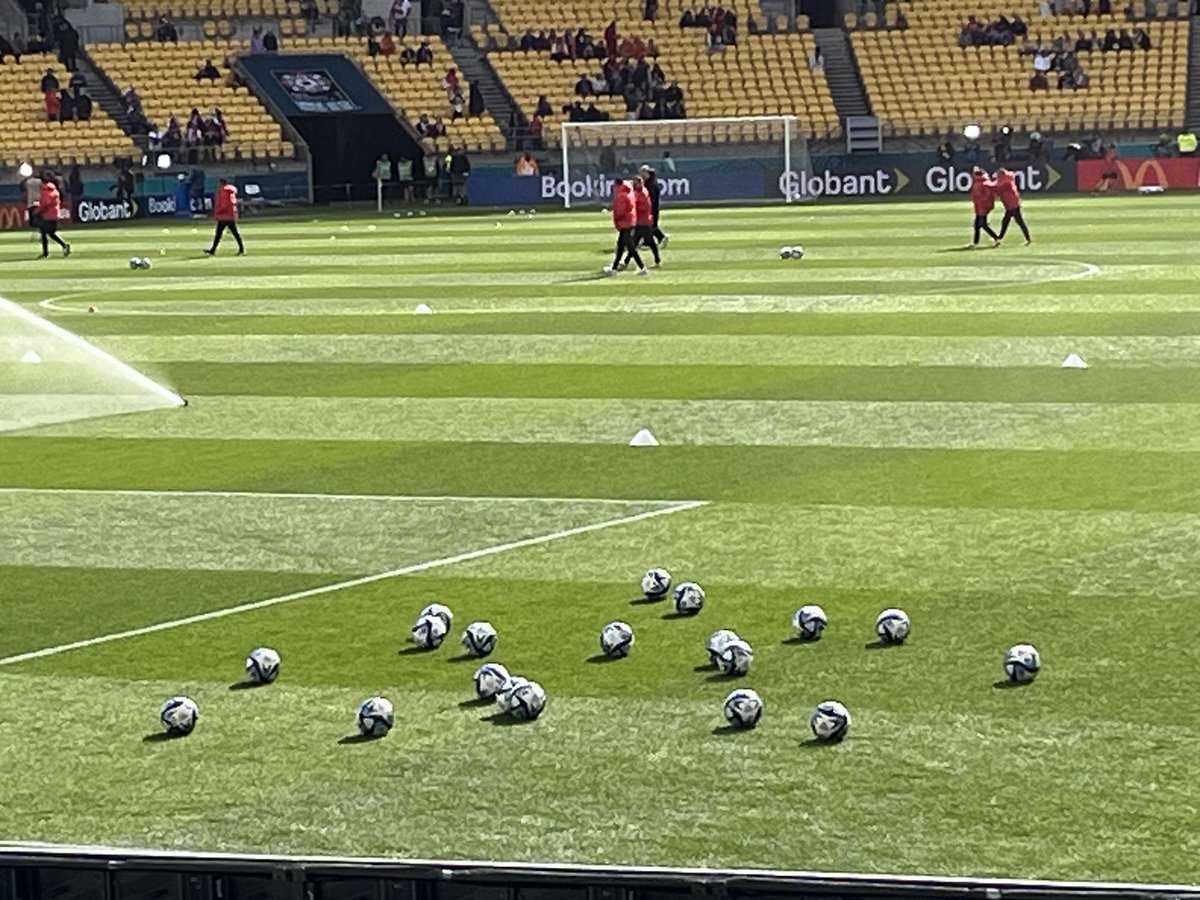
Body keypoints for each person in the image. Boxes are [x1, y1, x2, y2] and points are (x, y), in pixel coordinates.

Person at [604, 179, 645, 275]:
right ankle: (614, 267)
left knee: (630, 247)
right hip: (629, 221)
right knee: (621, 246)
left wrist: (616, 220)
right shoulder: (628, 191)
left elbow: (620, 211)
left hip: (625, 223)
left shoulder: (621, 195)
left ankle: (642, 267)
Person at [623, 174, 660, 267]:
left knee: (647, 242)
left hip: (644, 222)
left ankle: (657, 260)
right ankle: (626, 262)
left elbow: (637, 205)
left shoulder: (642, 193)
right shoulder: (640, 192)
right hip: (641, 222)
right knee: (636, 243)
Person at [204, 177, 244, 255]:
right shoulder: (231, 191)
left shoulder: (223, 191)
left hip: (224, 215)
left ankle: (213, 250)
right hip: (230, 214)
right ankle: (241, 249)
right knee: (234, 233)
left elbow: (222, 204)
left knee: (219, 234)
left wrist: (218, 212)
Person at [34, 171, 70, 258]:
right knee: (49, 233)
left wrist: (37, 210)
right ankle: (62, 246)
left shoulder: (45, 191)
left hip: (48, 215)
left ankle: (48, 251)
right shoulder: (55, 190)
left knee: (46, 233)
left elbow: (45, 204)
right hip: (54, 214)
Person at [994, 168, 1031, 246]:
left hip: (1012, 205)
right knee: (1006, 221)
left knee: (1018, 221)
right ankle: (999, 237)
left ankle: (1028, 239)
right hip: (1012, 203)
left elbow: (997, 187)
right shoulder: (1009, 178)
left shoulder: (1003, 183)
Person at [969, 167, 1000, 247]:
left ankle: (996, 238)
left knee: (982, 225)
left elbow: (987, 196)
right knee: (977, 224)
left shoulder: (983, 183)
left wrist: (983, 203)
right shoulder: (982, 183)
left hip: (982, 207)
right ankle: (975, 242)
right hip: (980, 207)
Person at [639, 164, 667, 247]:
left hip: (652, 208)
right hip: (648, 207)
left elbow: (652, 198)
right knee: (647, 225)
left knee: (651, 225)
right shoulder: (648, 182)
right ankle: (647, 241)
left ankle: (661, 237)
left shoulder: (652, 184)